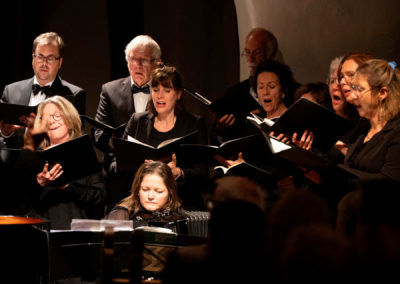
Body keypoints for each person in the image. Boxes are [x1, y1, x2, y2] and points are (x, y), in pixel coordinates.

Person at [122, 65, 209, 210]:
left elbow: (203, 173)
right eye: (155, 90)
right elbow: (119, 163)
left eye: (167, 91)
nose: (159, 96)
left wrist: (179, 173)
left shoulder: (194, 124)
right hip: (143, 205)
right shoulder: (137, 122)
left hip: (184, 205)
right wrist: (141, 167)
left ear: (178, 94)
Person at [93, 35, 161, 212]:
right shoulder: (110, 90)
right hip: (120, 175)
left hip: (156, 173)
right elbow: (98, 135)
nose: (137, 65)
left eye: (143, 60)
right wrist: (117, 143)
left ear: (156, 62)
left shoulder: (164, 91)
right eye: (132, 59)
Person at [29, 96, 105, 230]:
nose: (51, 121)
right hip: (40, 231)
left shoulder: (83, 152)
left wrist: (68, 186)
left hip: (76, 231)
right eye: (46, 117)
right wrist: (38, 184)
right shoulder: (34, 156)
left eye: (57, 116)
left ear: (70, 120)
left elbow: (99, 196)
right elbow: (20, 201)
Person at [211, 28, 298, 142]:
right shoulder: (234, 94)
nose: (250, 58)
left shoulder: (296, 96)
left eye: (257, 52)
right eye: (247, 52)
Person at [0, 32, 86, 148]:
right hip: (15, 162)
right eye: (40, 57)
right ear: (33, 58)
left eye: (50, 58)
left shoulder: (74, 95)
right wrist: (5, 134)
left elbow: (74, 140)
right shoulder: (11, 91)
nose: (44, 63)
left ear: (59, 62)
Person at [340, 59, 400, 185]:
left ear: (382, 93)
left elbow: (390, 181)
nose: (354, 96)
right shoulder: (362, 127)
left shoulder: (396, 131)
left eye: (360, 89)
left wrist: (338, 173)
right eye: (353, 88)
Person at [104, 161, 187, 232]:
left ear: (170, 192)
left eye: (159, 191)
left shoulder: (178, 214)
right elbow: (108, 248)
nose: (150, 196)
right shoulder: (122, 214)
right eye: (145, 189)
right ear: (137, 190)